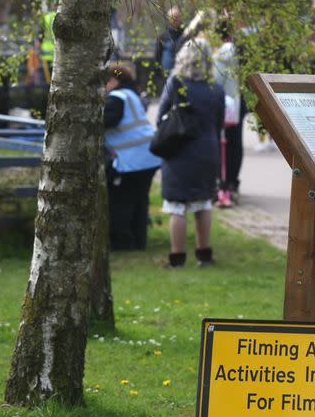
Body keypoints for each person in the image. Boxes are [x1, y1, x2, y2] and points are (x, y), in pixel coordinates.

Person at [156, 39, 225, 268]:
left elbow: (160, 118)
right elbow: (219, 122)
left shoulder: (175, 83)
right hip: (207, 149)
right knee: (203, 202)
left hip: (179, 150)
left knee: (177, 205)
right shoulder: (216, 88)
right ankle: (204, 256)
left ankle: (177, 259)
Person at [103, 62, 162, 250]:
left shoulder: (115, 99)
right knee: (139, 201)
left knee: (121, 201)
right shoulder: (131, 95)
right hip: (149, 156)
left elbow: (105, 121)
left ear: (113, 80)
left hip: (131, 160)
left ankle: (123, 242)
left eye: (105, 81)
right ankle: (139, 241)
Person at [211, 18, 243, 205]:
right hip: (236, 103)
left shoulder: (221, 54)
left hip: (224, 104)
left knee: (223, 145)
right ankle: (231, 183)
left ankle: (222, 184)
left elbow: (216, 81)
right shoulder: (239, 51)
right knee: (234, 145)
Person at [154, 6, 185, 74]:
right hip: (166, 76)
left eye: (176, 17)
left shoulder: (186, 35)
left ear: (180, 18)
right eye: (172, 18)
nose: (174, 20)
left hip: (183, 75)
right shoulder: (162, 37)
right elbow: (157, 57)